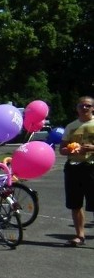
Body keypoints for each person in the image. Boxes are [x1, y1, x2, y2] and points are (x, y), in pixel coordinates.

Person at [59, 96, 94, 246]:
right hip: (73, 168)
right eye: (81, 106)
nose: (84, 108)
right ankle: (80, 236)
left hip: (92, 167)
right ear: (77, 108)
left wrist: (92, 148)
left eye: (87, 106)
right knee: (75, 204)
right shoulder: (70, 126)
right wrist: (69, 150)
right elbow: (62, 149)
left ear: (93, 108)